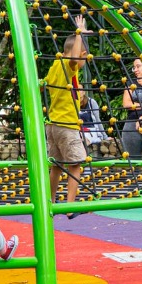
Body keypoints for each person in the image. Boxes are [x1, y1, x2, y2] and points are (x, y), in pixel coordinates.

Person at [44, 16, 89, 213]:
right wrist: (79, 32)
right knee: (75, 165)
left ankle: (50, 201)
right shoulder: (69, 65)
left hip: (52, 124)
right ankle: (70, 206)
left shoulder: (56, 64)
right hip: (66, 125)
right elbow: (74, 59)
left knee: (56, 165)